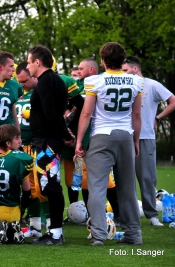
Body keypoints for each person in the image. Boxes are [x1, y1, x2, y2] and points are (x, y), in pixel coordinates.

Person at [75, 42, 143, 246]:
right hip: (125, 135)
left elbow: (86, 113)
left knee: (96, 188)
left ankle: (99, 235)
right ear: (123, 61)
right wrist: (136, 140)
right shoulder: (135, 82)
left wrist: (79, 140)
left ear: (103, 61)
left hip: (102, 136)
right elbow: (137, 114)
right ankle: (134, 234)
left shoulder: (95, 81)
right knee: (128, 188)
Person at [26, 45, 74, 245]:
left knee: (51, 185)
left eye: (29, 62)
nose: (27, 66)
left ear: (38, 62)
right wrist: (65, 132)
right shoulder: (55, 80)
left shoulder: (46, 81)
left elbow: (51, 114)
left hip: (47, 142)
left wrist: (64, 134)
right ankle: (54, 231)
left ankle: (55, 234)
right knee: (48, 185)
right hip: (47, 140)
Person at [122, 56, 175, 226]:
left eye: (125, 70)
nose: (123, 74)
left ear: (135, 69)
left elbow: (172, 100)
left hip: (145, 136)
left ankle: (151, 215)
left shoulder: (152, 85)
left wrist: (157, 118)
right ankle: (125, 215)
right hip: (123, 136)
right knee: (123, 178)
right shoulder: (121, 84)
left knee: (147, 177)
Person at [14, 62, 46, 237]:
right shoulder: (17, 93)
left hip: (37, 146)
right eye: (19, 81)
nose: (22, 85)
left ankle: (50, 225)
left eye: (25, 81)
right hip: (21, 146)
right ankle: (34, 226)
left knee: (43, 187)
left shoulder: (41, 92)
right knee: (27, 188)